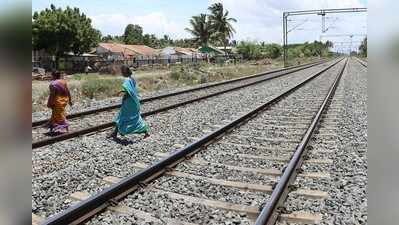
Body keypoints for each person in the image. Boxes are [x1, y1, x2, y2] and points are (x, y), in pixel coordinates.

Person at [109, 65, 149, 139]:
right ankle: (115, 133)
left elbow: (128, 91)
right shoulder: (132, 79)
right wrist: (122, 91)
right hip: (133, 101)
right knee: (132, 117)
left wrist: (122, 94)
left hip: (128, 102)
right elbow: (131, 89)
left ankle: (145, 130)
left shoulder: (127, 80)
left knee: (122, 116)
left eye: (121, 72)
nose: (121, 73)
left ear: (124, 72)